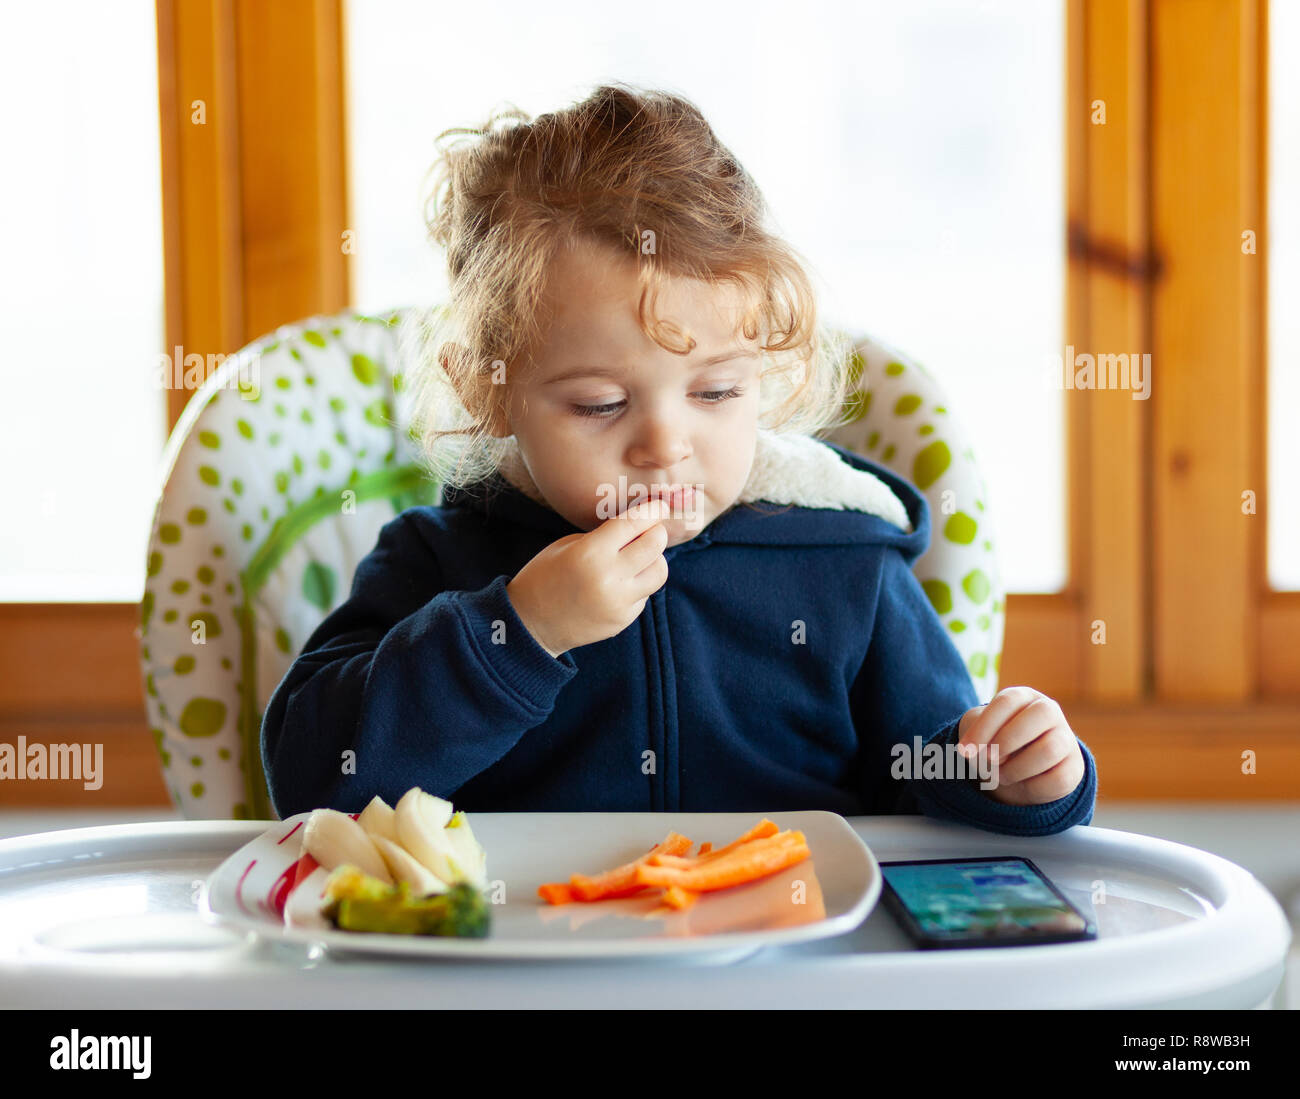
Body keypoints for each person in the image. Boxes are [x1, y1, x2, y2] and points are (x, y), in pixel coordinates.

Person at [260, 83, 1096, 835]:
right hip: (525, 964)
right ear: (490, 389)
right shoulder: (437, 560)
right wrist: (519, 630)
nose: (665, 444)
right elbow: (311, 783)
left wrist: (1012, 770)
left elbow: (932, 786)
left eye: (716, 392)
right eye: (601, 404)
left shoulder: (848, 567)